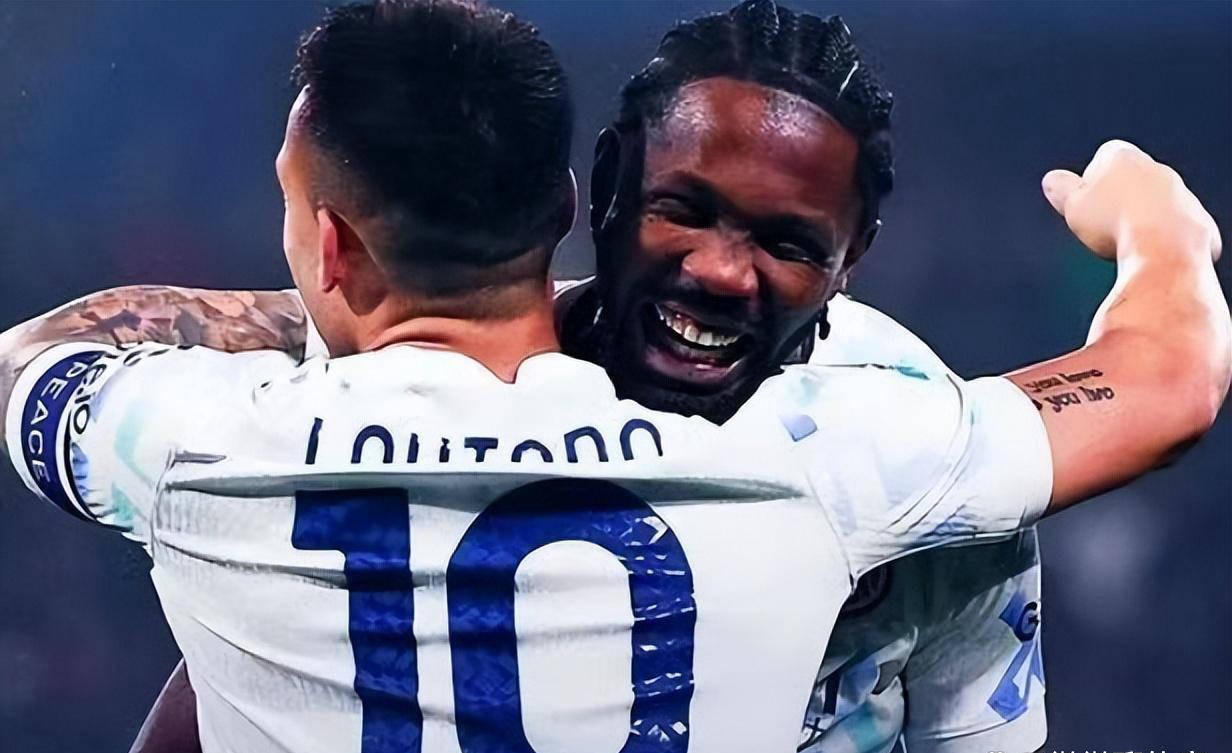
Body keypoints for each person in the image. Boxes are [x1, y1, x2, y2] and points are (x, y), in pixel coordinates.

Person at [1, 2, 1227, 753]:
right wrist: (1157, 222)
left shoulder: (210, 449)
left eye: (783, 242)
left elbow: (36, 356)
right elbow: (1166, 378)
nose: (721, 273)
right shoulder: (837, 443)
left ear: (328, 245)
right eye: (685, 212)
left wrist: (368, 302)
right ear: (574, 205)